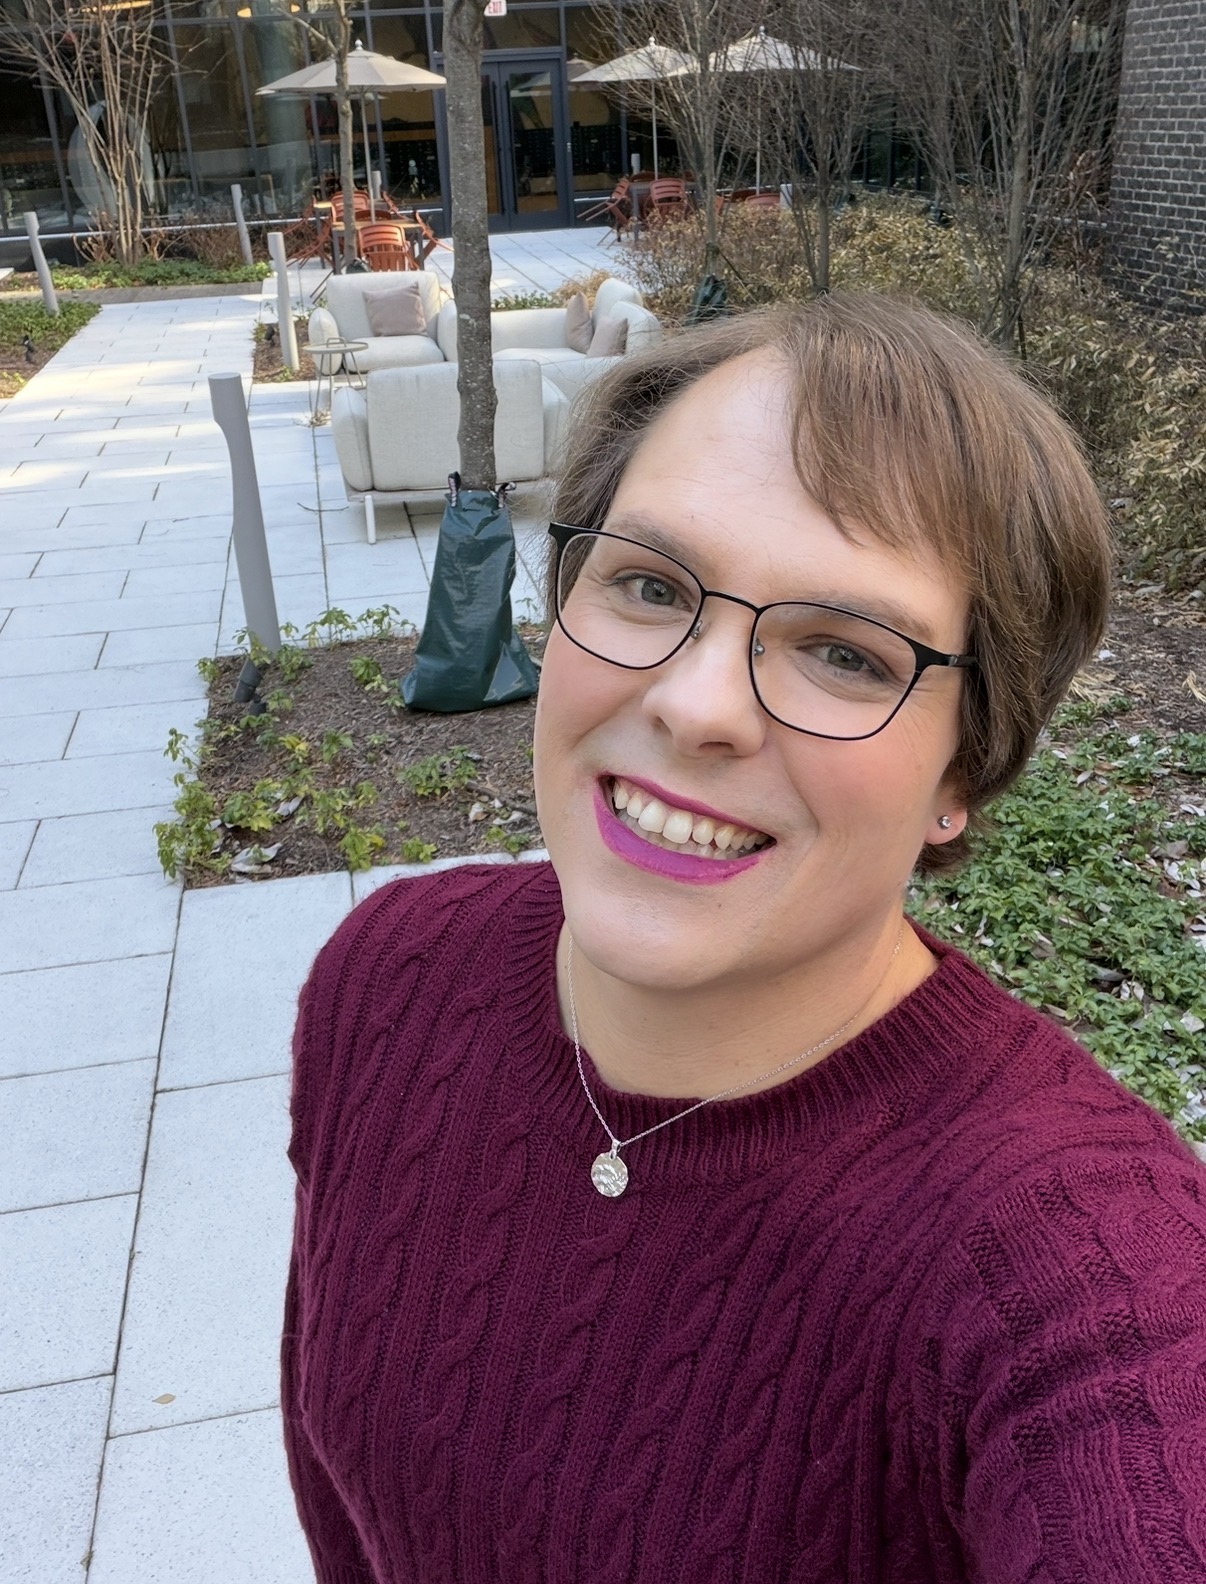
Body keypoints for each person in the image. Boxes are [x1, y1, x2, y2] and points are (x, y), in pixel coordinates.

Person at [281, 295, 1206, 1583]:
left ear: (967, 768)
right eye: (650, 585)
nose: (698, 705)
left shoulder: (1078, 1266)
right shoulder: (391, 980)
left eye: (845, 653)